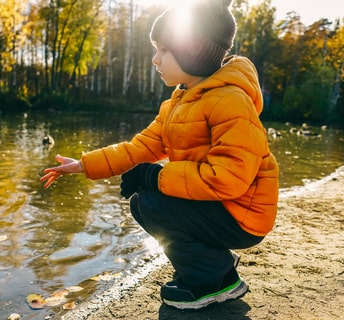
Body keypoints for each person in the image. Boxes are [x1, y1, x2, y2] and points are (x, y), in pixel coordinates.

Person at [40, 0, 279, 310]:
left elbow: (229, 179)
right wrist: (83, 165)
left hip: (243, 214)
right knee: (143, 199)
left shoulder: (231, 101)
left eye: (163, 50)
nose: (155, 59)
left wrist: (155, 176)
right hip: (221, 207)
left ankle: (218, 281)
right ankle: (210, 262)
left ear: (192, 51)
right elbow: (139, 147)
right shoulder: (179, 102)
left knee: (151, 201)